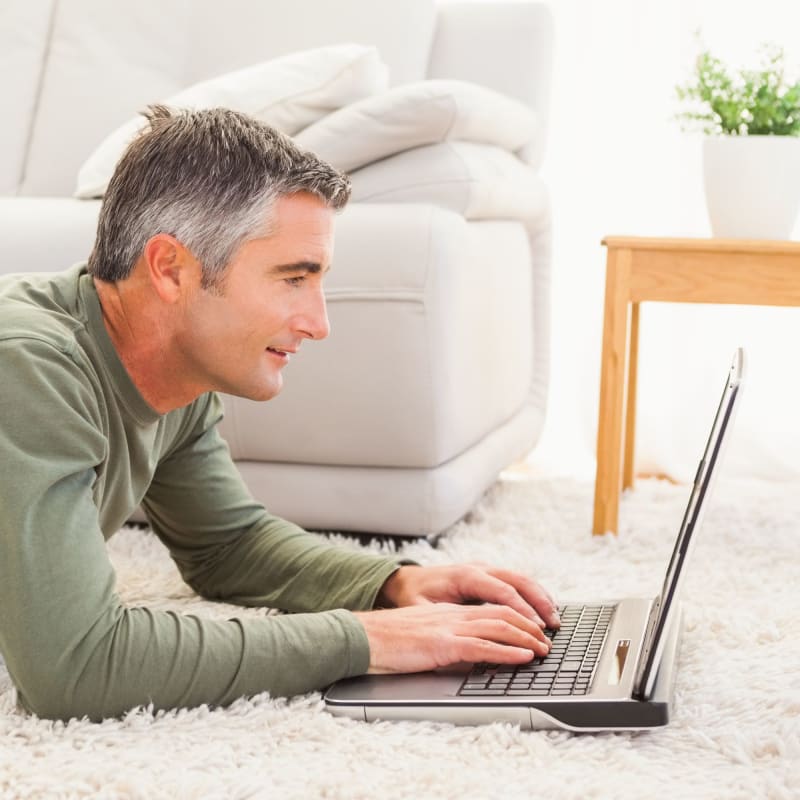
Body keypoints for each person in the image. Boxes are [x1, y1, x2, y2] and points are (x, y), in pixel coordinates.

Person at [0, 106, 560, 723]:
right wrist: (369, 640)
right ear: (171, 269)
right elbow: (76, 668)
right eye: (293, 278)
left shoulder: (177, 372)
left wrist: (391, 585)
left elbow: (226, 546)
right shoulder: (28, 368)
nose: (318, 324)